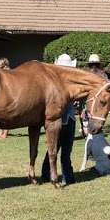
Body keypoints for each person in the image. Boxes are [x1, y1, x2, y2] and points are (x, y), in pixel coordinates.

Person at [45, 54, 78, 185]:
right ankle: (59, 176)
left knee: (64, 150)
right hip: (59, 118)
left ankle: (64, 176)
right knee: (57, 148)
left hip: (69, 118)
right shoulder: (55, 81)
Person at [0, 58, 11, 139]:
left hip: (9, 94)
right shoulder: (1, 70)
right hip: (3, 94)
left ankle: (5, 134)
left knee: (6, 116)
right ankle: (0, 133)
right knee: (2, 115)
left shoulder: (8, 71)